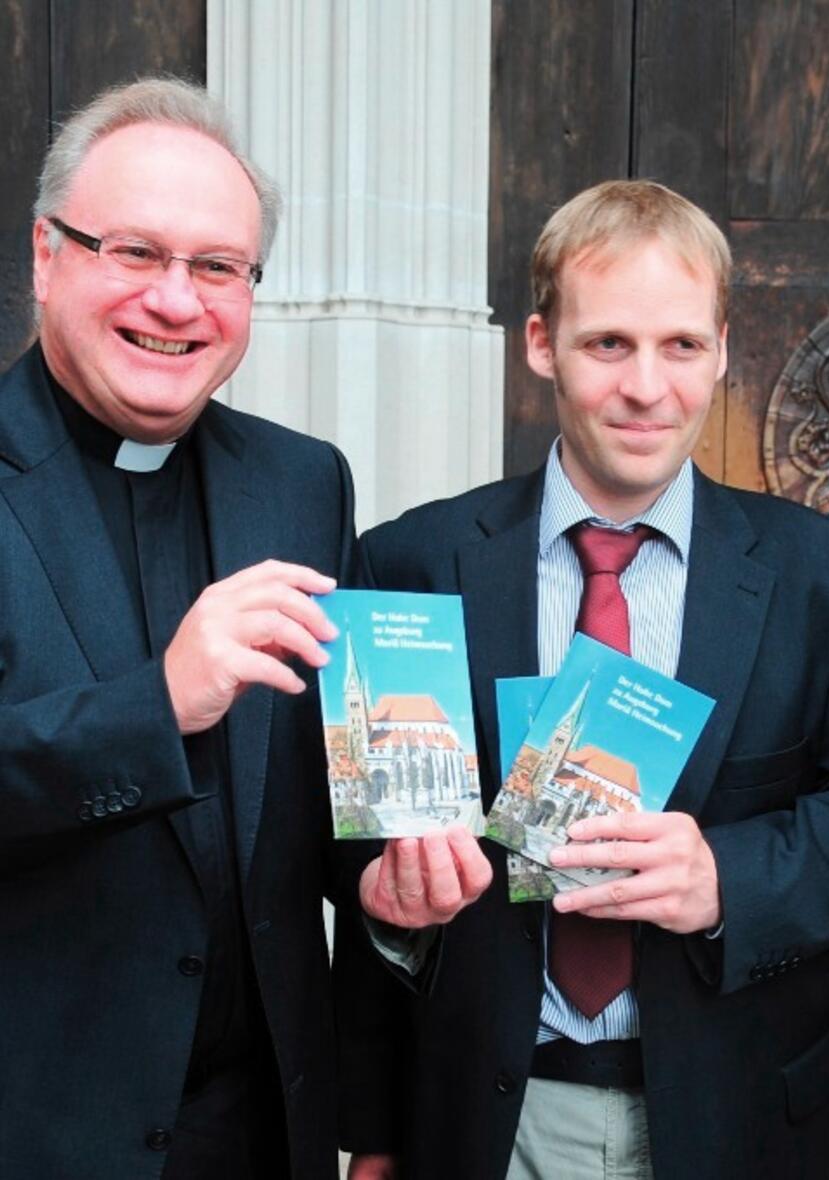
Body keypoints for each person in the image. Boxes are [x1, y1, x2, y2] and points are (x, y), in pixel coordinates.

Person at [339, 180, 829, 1180]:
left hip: (739, 1121)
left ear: (721, 351)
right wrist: (374, 1131)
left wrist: (726, 876)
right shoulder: (411, 563)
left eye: (680, 345)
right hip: (479, 1121)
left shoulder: (827, 578)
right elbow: (354, 853)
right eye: (608, 343)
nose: (647, 387)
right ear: (541, 345)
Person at [0, 78, 370, 1179]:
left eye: (217, 267)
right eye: (135, 252)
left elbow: (328, 799)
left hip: (259, 1137)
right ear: (46, 256)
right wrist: (155, 706)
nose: (176, 301)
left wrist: (391, 882)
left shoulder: (303, 483)